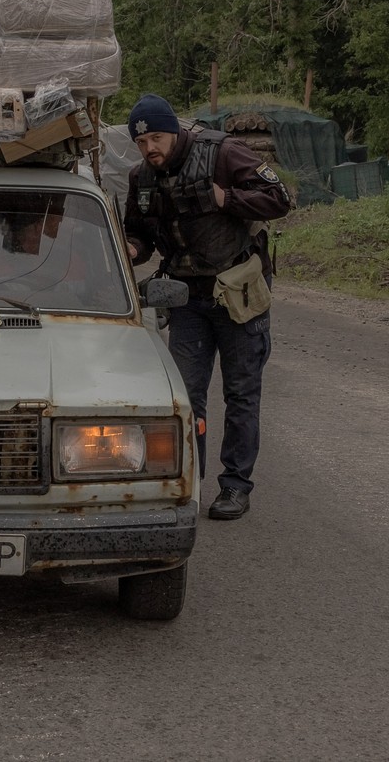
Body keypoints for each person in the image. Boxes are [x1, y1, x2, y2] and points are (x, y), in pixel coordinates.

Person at [121, 94, 292, 520]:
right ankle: (188, 484)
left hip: (236, 292)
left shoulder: (223, 153)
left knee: (241, 394)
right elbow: (138, 235)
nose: (150, 149)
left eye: (156, 138)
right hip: (186, 298)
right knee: (185, 398)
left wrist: (226, 199)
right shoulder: (141, 178)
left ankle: (235, 486)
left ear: (173, 131)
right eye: (141, 143)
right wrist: (128, 248)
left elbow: (280, 198)